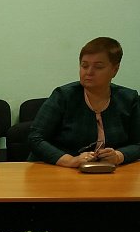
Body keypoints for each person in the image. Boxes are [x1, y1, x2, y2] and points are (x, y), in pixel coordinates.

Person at [28, 37, 140, 168]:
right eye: (84, 65)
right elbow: (35, 138)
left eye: (98, 67)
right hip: (61, 170)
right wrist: (70, 161)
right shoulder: (63, 96)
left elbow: (138, 143)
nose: (89, 72)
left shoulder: (129, 99)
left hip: (110, 172)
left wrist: (118, 156)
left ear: (115, 69)